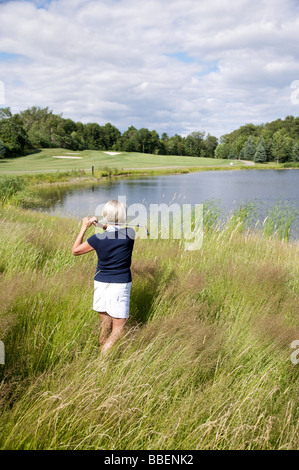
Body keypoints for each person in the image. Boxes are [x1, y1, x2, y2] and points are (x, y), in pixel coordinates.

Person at [72, 200, 135, 355]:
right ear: (122, 216)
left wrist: (85, 227)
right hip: (120, 284)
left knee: (105, 324)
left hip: (101, 283)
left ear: (105, 215)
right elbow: (114, 230)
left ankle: (102, 353)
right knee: (118, 329)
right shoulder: (129, 234)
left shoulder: (96, 239)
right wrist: (100, 225)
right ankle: (103, 358)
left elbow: (75, 250)